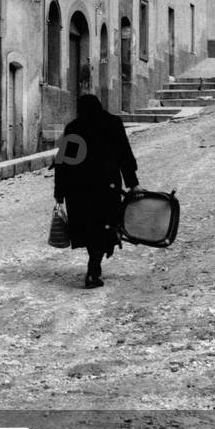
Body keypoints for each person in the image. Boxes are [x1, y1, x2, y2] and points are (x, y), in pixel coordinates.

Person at [54, 93, 140, 289]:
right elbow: (124, 155)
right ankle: (94, 268)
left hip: (79, 192)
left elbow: (62, 165)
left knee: (89, 229)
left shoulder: (74, 127)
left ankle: (94, 266)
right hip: (105, 188)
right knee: (104, 227)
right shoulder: (112, 124)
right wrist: (133, 183)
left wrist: (59, 193)